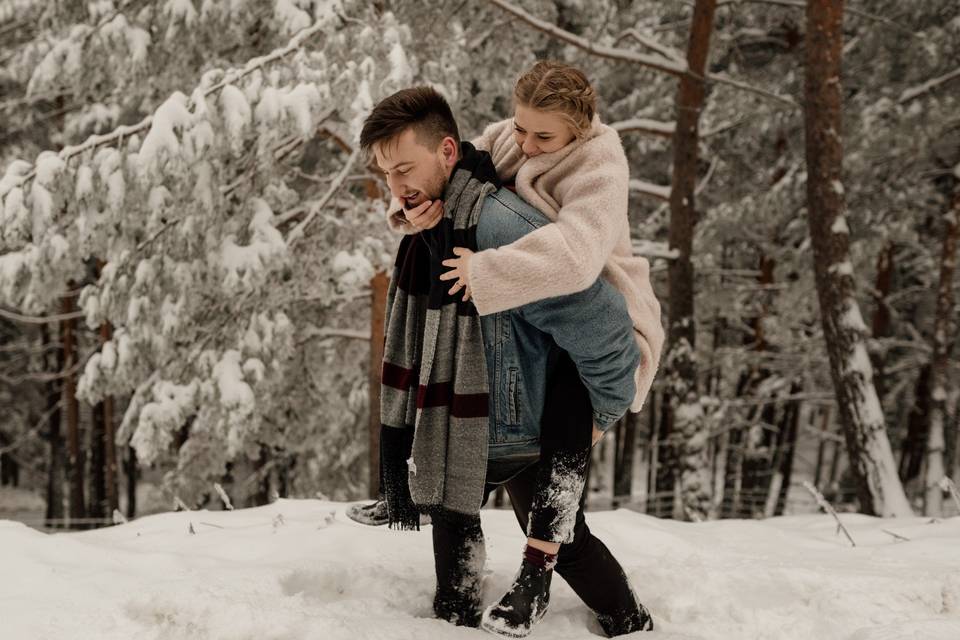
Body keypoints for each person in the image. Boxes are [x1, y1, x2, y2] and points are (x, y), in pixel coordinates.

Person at [360, 86, 655, 637]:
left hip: (522, 419)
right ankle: (456, 623)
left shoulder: (499, 222)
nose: (397, 189)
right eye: (386, 175)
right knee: (453, 542)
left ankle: (630, 623)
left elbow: (604, 322)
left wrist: (604, 409)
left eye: (404, 169)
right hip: (465, 420)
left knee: (563, 544)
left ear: (447, 152)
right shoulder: (442, 210)